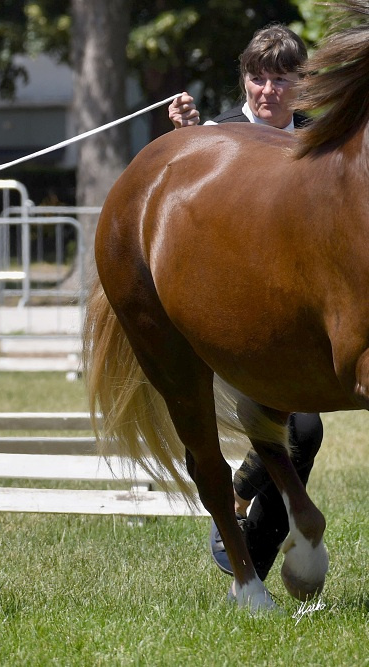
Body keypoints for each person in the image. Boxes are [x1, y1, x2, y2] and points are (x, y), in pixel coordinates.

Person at [166, 24, 324, 581]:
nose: (267, 91)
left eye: (280, 80)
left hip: (302, 313)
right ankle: (253, 554)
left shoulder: (320, 138)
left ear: (301, 85)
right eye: (257, 79)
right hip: (235, 314)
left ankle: (248, 528)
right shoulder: (220, 133)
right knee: (300, 429)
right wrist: (188, 137)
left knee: (302, 432)